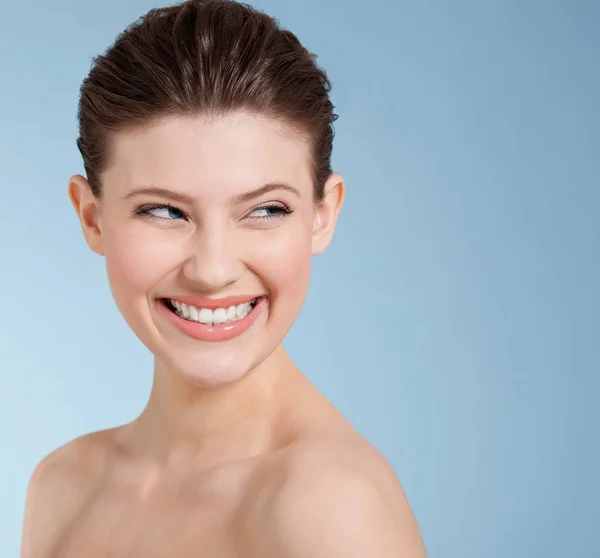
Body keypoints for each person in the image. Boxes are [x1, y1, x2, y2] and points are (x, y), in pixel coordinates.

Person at [20, 0, 427, 556]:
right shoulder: (63, 485)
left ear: (323, 214)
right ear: (92, 217)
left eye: (265, 210)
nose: (213, 271)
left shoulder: (329, 506)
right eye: (164, 211)